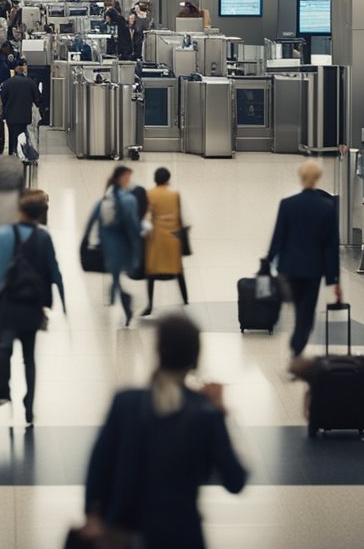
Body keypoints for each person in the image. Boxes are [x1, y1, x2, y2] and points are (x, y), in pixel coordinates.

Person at [81, 314, 246, 549]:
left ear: (158, 351)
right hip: (182, 535)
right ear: (195, 359)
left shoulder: (126, 403)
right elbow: (235, 480)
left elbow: (98, 465)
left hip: (127, 532)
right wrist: (221, 413)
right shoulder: (205, 413)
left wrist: (92, 514)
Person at [0, 191, 65, 426]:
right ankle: (29, 405)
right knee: (29, 358)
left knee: (4, 352)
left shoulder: (2, 234)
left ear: (19, 211)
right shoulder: (44, 237)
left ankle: (6, 393)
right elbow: (54, 271)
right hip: (31, 307)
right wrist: (60, 303)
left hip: (6, 305)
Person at [266, 159, 341, 358]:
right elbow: (331, 245)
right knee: (306, 313)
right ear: (318, 178)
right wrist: (334, 279)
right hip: (313, 269)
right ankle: (296, 348)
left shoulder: (288, 204)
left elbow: (278, 237)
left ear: (301, 177)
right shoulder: (327, 207)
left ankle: (295, 347)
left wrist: (267, 262)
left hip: (290, 267)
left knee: (298, 307)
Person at [85, 166, 142, 327]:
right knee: (118, 275)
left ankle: (113, 297)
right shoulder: (129, 200)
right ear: (122, 178)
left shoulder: (105, 200)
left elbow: (92, 221)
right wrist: (138, 244)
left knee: (115, 275)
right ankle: (124, 303)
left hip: (108, 245)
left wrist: (87, 241)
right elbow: (133, 226)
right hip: (123, 245)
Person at [144, 167, 190, 317]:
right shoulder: (174, 194)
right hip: (173, 236)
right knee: (178, 269)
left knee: (151, 271)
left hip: (157, 237)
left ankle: (149, 305)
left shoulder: (150, 194)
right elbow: (180, 216)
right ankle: (185, 299)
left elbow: (147, 215)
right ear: (168, 179)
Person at [0, 61, 39, 159]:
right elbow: (38, 99)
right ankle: (22, 154)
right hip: (25, 116)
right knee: (23, 136)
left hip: (10, 116)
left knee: (12, 136)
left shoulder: (7, 83)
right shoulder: (30, 83)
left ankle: (11, 154)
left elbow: (3, 99)